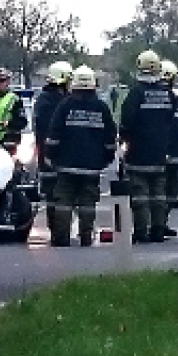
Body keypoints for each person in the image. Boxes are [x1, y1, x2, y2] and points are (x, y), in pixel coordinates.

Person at [42, 65, 116, 247]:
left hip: (65, 165)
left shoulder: (65, 106)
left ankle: (61, 237)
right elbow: (110, 138)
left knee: (63, 202)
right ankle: (85, 236)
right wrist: (106, 158)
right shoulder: (101, 108)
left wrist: (51, 156)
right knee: (88, 202)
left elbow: (54, 134)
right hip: (91, 166)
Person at [118, 50, 178, 243]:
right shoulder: (167, 94)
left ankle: (141, 232)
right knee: (159, 195)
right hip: (160, 154)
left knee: (140, 196)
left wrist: (124, 139)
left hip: (138, 154)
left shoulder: (136, 94)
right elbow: (174, 125)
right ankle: (158, 230)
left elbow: (126, 121)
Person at [33, 62, 74, 201]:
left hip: (55, 156)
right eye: (69, 80)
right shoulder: (50, 102)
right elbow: (49, 129)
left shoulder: (53, 99)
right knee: (56, 198)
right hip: (52, 156)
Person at [157, 59, 178, 241]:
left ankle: (160, 223)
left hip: (163, 153)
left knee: (165, 190)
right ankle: (158, 224)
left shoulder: (165, 96)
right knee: (167, 189)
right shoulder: (168, 97)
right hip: (167, 153)